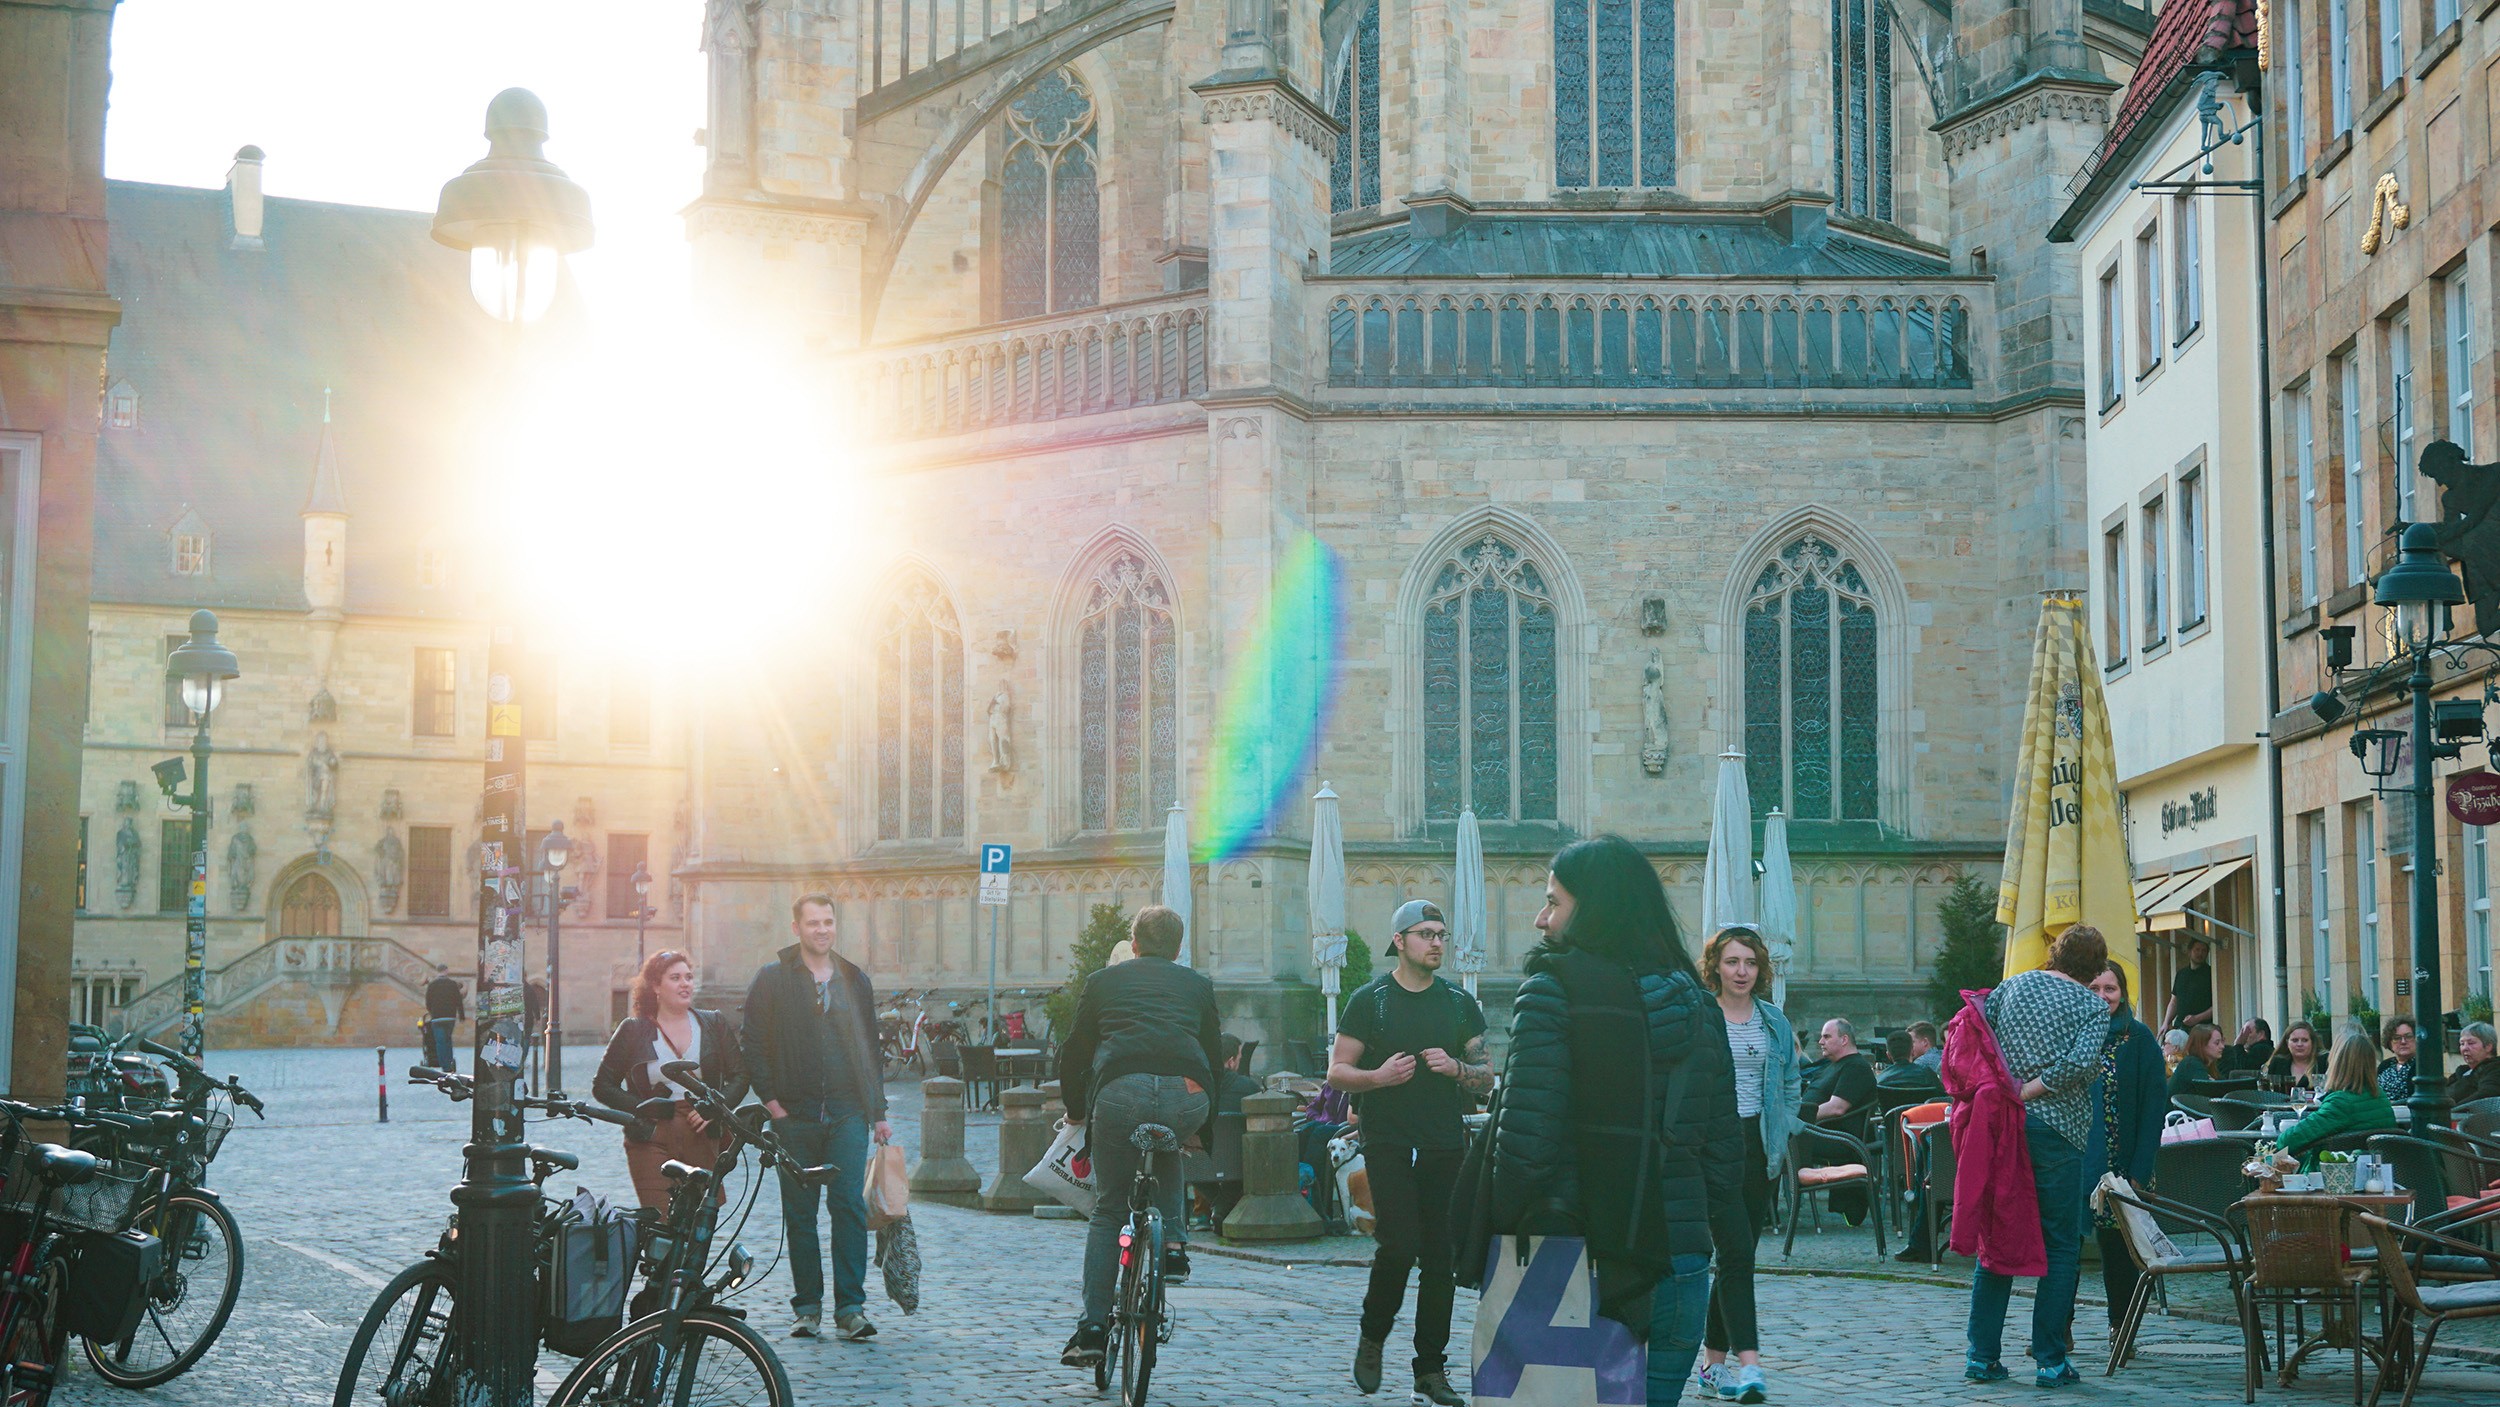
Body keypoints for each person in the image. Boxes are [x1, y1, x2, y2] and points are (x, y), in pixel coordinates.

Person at [1493, 835, 1743, 1407]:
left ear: (1594, 908)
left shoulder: (1554, 991)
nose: (1540, 918)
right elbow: (1726, 1159)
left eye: (1554, 902)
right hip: (1678, 1260)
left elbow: (1525, 1146)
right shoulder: (1700, 1004)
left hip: (1580, 1258)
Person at [1330, 899, 1487, 1407]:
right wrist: (1377, 1078)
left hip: (1444, 1141)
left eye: (1441, 933)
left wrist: (1458, 1070)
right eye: (1425, 934)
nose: (1437, 942)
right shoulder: (1370, 1000)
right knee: (1398, 1244)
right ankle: (1373, 1335)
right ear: (1399, 941)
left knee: (1441, 1258)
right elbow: (1337, 1072)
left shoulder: (1460, 1003)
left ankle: (1430, 1369)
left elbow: (1488, 1079)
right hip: (1389, 1139)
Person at [1055, 905, 1222, 1372]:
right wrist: (1201, 1126)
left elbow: (1074, 1053)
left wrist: (1075, 1110)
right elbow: (1214, 1052)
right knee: (1167, 1139)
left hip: (1120, 1092)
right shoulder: (1198, 985)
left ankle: (1091, 1329)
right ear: (1179, 947)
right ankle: (1173, 1249)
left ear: (1134, 943)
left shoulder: (1103, 982)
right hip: (1185, 1094)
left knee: (1109, 1210)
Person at [1963, 923, 2112, 1389]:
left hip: (2003, 1124)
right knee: (2060, 1245)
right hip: (2058, 1131)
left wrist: (2011, 1090)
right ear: (2095, 968)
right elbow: (2082, 1064)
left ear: (2054, 953)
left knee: (1999, 1233)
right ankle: (2049, 1360)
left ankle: (1981, 1355)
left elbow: (1983, 1040)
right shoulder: (2092, 1005)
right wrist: (2033, 1089)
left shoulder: (2013, 986)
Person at [740, 893, 890, 1343]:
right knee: (801, 1214)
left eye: (828, 922)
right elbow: (753, 1045)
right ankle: (807, 1308)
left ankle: (851, 1308)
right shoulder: (772, 980)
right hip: (795, 1115)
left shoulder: (853, 979)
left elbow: (870, 1049)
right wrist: (774, 1106)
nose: (822, 930)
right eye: (813, 923)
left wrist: (877, 1111)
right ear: (796, 928)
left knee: (847, 1206)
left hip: (847, 1112)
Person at [1694, 924, 1798, 1406]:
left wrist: (1786, 1125)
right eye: (1733, 961)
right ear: (1715, 965)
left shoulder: (1773, 1020)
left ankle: (1712, 1369)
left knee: (1737, 1256)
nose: (1742, 971)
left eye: (1751, 963)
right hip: (1712, 1144)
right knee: (1736, 1254)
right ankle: (1750, 1365)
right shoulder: (1699, 1015)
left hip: (1759, 1146)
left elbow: (1792, 1079)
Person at [593, 950, 746, 1208]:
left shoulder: (713, 1024)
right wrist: (642, 1108)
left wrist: (715, 1108)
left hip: (701, 1132)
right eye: (675, 978)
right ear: (656, 986)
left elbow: (741, 1076)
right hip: (651, 1134)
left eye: (688, 977)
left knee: (698, 1223)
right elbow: (603, 1086)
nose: (685, 983)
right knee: (660, 1220)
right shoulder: (633, 1029)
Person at [2083, 961, 2167, 1344]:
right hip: (2079, 1160)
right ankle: (2058, 1328)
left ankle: (2123, 1327)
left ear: (2123, 992)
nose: (2102, 996)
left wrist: (2139, 1169)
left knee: (2118, 1250)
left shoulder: (2140, 1039)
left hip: (2124, 1163)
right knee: (2065, 1246)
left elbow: (2154, 1109)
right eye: (2094, 987)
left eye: (2110, 989)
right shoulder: (2074, 1034)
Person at [2273, 1033, 2397, 1170]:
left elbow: (2288, 1141)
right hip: (2374, 1173)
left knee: (2267, 1165)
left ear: (2337, 1062)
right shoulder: (2380, 1096)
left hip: (2332, 1176)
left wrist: (2270, 1156)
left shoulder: (2340, 1102)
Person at [1802, 1018, 1878, 1223]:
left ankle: (1764, 1212)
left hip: (1835, 1138)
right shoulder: (1832, 1066)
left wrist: (1796, 1119)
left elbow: (1837, 1108)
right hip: (1814, 1132)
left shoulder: (1856, 1067)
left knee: (1765, 1142)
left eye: (1826, 1036)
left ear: (1844, 1040)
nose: (1820, 1041)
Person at [2160, 938, 2215, 1035]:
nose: (2200, 953)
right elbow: (2174, 1001)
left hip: (2202, 1028)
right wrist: (2166, 1023)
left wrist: (2197, 1018)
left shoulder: (2211, 974)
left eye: (2204, 951)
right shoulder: (2181, 974)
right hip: (2180, 1026)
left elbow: (2217, 1005)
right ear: (2189, 952)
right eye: (2197, 950)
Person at [422, 964, 463, 1071]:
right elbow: (459, 1001)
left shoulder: (432, 985)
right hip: (450, 1017)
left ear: (437, 971)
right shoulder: (453, 984)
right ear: (447, 971)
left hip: (437, 1017)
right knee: (448, 1040)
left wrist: (432, 1012)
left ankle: (444, 1066)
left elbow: (428, 1002)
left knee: (440, 1042)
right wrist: (461, 1015)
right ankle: (449, 1063)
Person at [2166, 1023, 2222, 1100]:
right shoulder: (2191, 1064)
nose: (2222, 1046)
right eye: (2217, 1043)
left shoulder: (2208, 1065)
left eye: (2222, 1042)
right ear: (2202, 1044)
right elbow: (2211, 1093)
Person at [2450, 1021, 2500, 1106]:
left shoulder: (2495, 1069)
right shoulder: (2462, 1072)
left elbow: (2487, 1095)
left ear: (2488, 1046)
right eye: (2462, 1044)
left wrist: (2450, 1111)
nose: (2464, 1048)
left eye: (2471, 1043)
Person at [2265, 1021, 2323, 1093]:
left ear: (2312, 1042)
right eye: (2295, 1040)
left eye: (2305, 1040)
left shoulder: (2322, 1064)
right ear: (2287, 1043)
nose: (2299, 1044)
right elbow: (2267, 1093)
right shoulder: (2277, 1063)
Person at [2377, 1017, 2418, 1103]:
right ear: (2389, 1042)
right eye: (2397, 1038)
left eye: (2408, 1036)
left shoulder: (2422, 1066)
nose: (2403, 1042)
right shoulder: (2384, 1065)